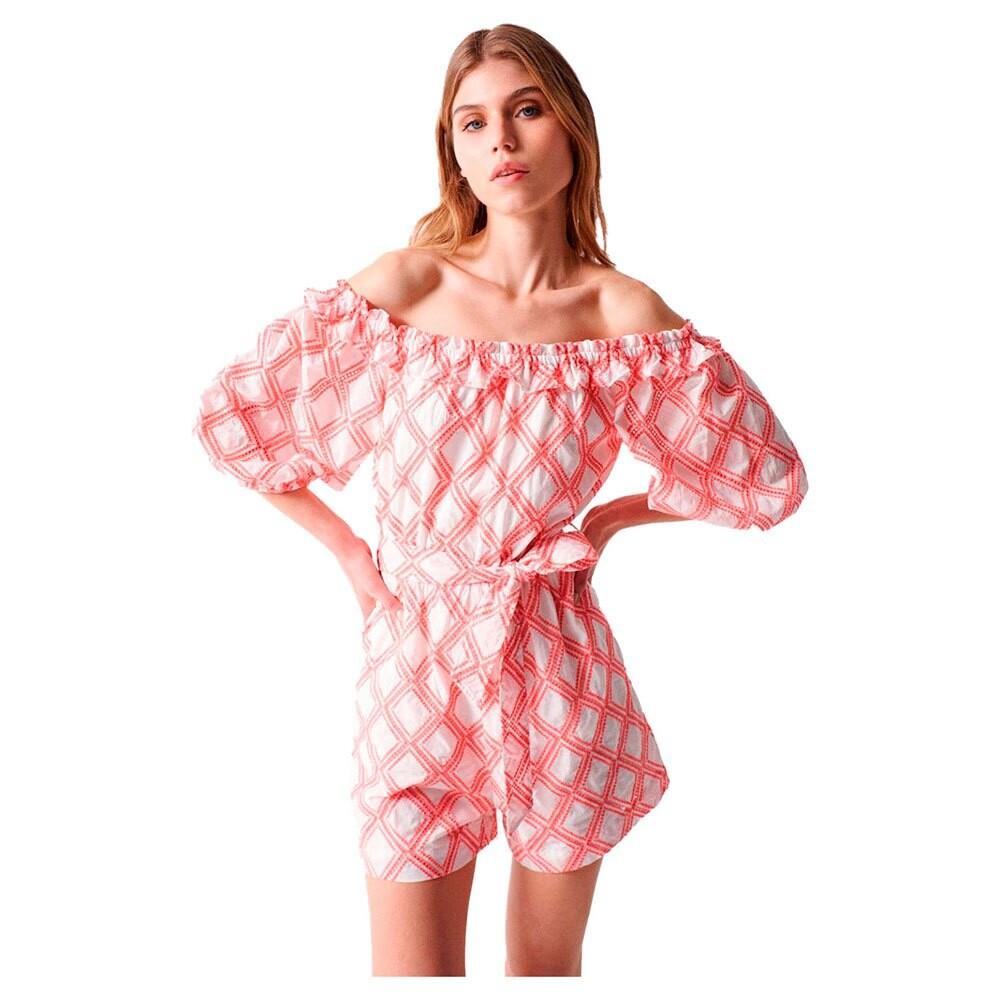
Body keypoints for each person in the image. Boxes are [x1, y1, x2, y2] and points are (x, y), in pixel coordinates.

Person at [191, 23, 809, 978]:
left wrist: (621, 515)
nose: (501, 142)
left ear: (572, 128)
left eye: (526, 111)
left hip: (557, 663)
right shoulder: (407, 287)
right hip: (417, 664)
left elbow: (767, 474)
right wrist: (349, 550)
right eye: (472, 123)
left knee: (543, 974)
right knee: (411, 977)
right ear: (454, 149)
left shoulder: (621, 316)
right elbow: (237, 421)